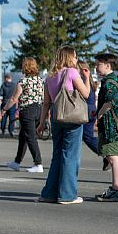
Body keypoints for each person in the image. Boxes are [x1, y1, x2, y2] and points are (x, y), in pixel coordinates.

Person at [37, 46, 91, 204]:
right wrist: (86, 78)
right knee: (70, 155)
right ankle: (67, 195)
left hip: (56, 116)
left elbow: (46, 103)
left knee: (57, 155)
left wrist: (41, 123)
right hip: (71, 116)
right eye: (75, 56)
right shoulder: (72, 72)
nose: (76, 59)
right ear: (69, 57)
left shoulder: (50, 76)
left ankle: (49, 193)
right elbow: (86, 94)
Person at [94, 53, 118, 202]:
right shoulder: (111, 80)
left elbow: (112, 101)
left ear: (107, 65)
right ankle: (115, 189)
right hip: (110, 125)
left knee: (114, 158)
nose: (96, 67)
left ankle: (115, 191)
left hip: (110, 126)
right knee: (114, 157)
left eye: (98, 64)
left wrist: (99, 114)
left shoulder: (109, 83)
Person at [5, 57, 44, 173]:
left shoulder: (23, 81)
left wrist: (4, 109)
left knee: (31, 137)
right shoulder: (40, 80)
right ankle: (17, 162)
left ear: (25, 67)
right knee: (23, 137)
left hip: (27, 111)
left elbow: (13, 98)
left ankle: (38, 163)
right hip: (38, 109)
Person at [78, 61, 99, 155]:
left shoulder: (81, 80)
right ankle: (104, 151)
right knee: (88, 136)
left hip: (84, 111)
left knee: (83, 137)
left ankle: (104, 151)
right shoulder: (90, 81)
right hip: (92, 110)